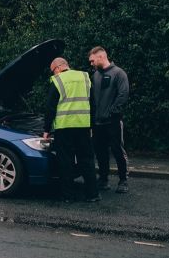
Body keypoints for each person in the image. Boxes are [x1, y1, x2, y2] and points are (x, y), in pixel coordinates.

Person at [43, 57, 100, 202]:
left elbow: (50, 107)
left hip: (64, 128)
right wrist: (91, 125)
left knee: (66, 161)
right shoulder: (85, 77)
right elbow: (93, 104)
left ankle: (68, 196)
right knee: (87, 160)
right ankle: (93, 195)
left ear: (59, 67)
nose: (53, 74)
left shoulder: (57, 81)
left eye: (53, 71)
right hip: (83, 126)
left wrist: (46, 129)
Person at [88, 46, 130, 194]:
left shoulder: (118, 73)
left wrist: (111, 113)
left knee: (117, 150)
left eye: (92, 60)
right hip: (98, 122)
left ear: (101, 57)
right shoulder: (95, 76)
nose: (91, 64)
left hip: (113, 121)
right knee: (100, 152)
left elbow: (123, 95)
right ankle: (104, 180)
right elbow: (93, 99)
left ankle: (123, 180)